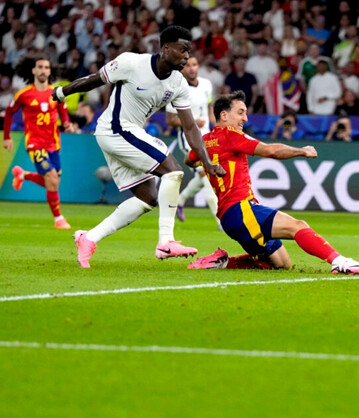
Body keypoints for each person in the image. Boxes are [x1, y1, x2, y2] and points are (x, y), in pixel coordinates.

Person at [52, 25, 225, 268]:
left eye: (189, 51)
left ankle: (88, 238)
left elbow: (191, 128)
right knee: (173, 170)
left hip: (127, 133)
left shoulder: (178, 83)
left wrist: (207, 162)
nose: (187, 56)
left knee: (148, 198)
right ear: (166, 48)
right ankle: (166, 241)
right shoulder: (132, 63)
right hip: (115, 129)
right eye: (183, 49)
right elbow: (95, 79)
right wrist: (62, 92)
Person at [185, 91, 359, 275]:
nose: (245, 118)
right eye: (240, 113)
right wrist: (301, 151)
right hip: (241, 210)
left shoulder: (205, 141)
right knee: (297, 225)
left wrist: (208, 163)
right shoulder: (231, 135)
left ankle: (222, 262)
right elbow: (271, 151)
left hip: (229, 218)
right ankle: (340, 262)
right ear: (224, 115)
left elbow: (189, 159)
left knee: (282, 263)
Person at [4, 56, 73, 229]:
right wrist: (6, 136)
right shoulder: (24, 94)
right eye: (40, 67)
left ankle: (23, 175)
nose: (43, 70)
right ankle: (59, 219)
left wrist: (66, 123)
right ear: (33, 70)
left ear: (50, 71)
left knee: (52, 181)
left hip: (54, 144)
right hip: (35, 144)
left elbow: (62, 110)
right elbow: (9, 112)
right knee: (51, 179)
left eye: (46, 68)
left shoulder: (56, 92)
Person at [164, 55, 220, 228]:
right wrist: (192, 122)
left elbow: (209, 107)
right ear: (182, 68)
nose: (191, 68)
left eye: (194, 64)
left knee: (204, 173)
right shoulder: (176, 88)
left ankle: (180, 201)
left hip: (207, 135)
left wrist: (215, 127)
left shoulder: (206, 84)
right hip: (188, 137)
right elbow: (170, 120)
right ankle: (220, 221)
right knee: (206, 173)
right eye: (187, 65)